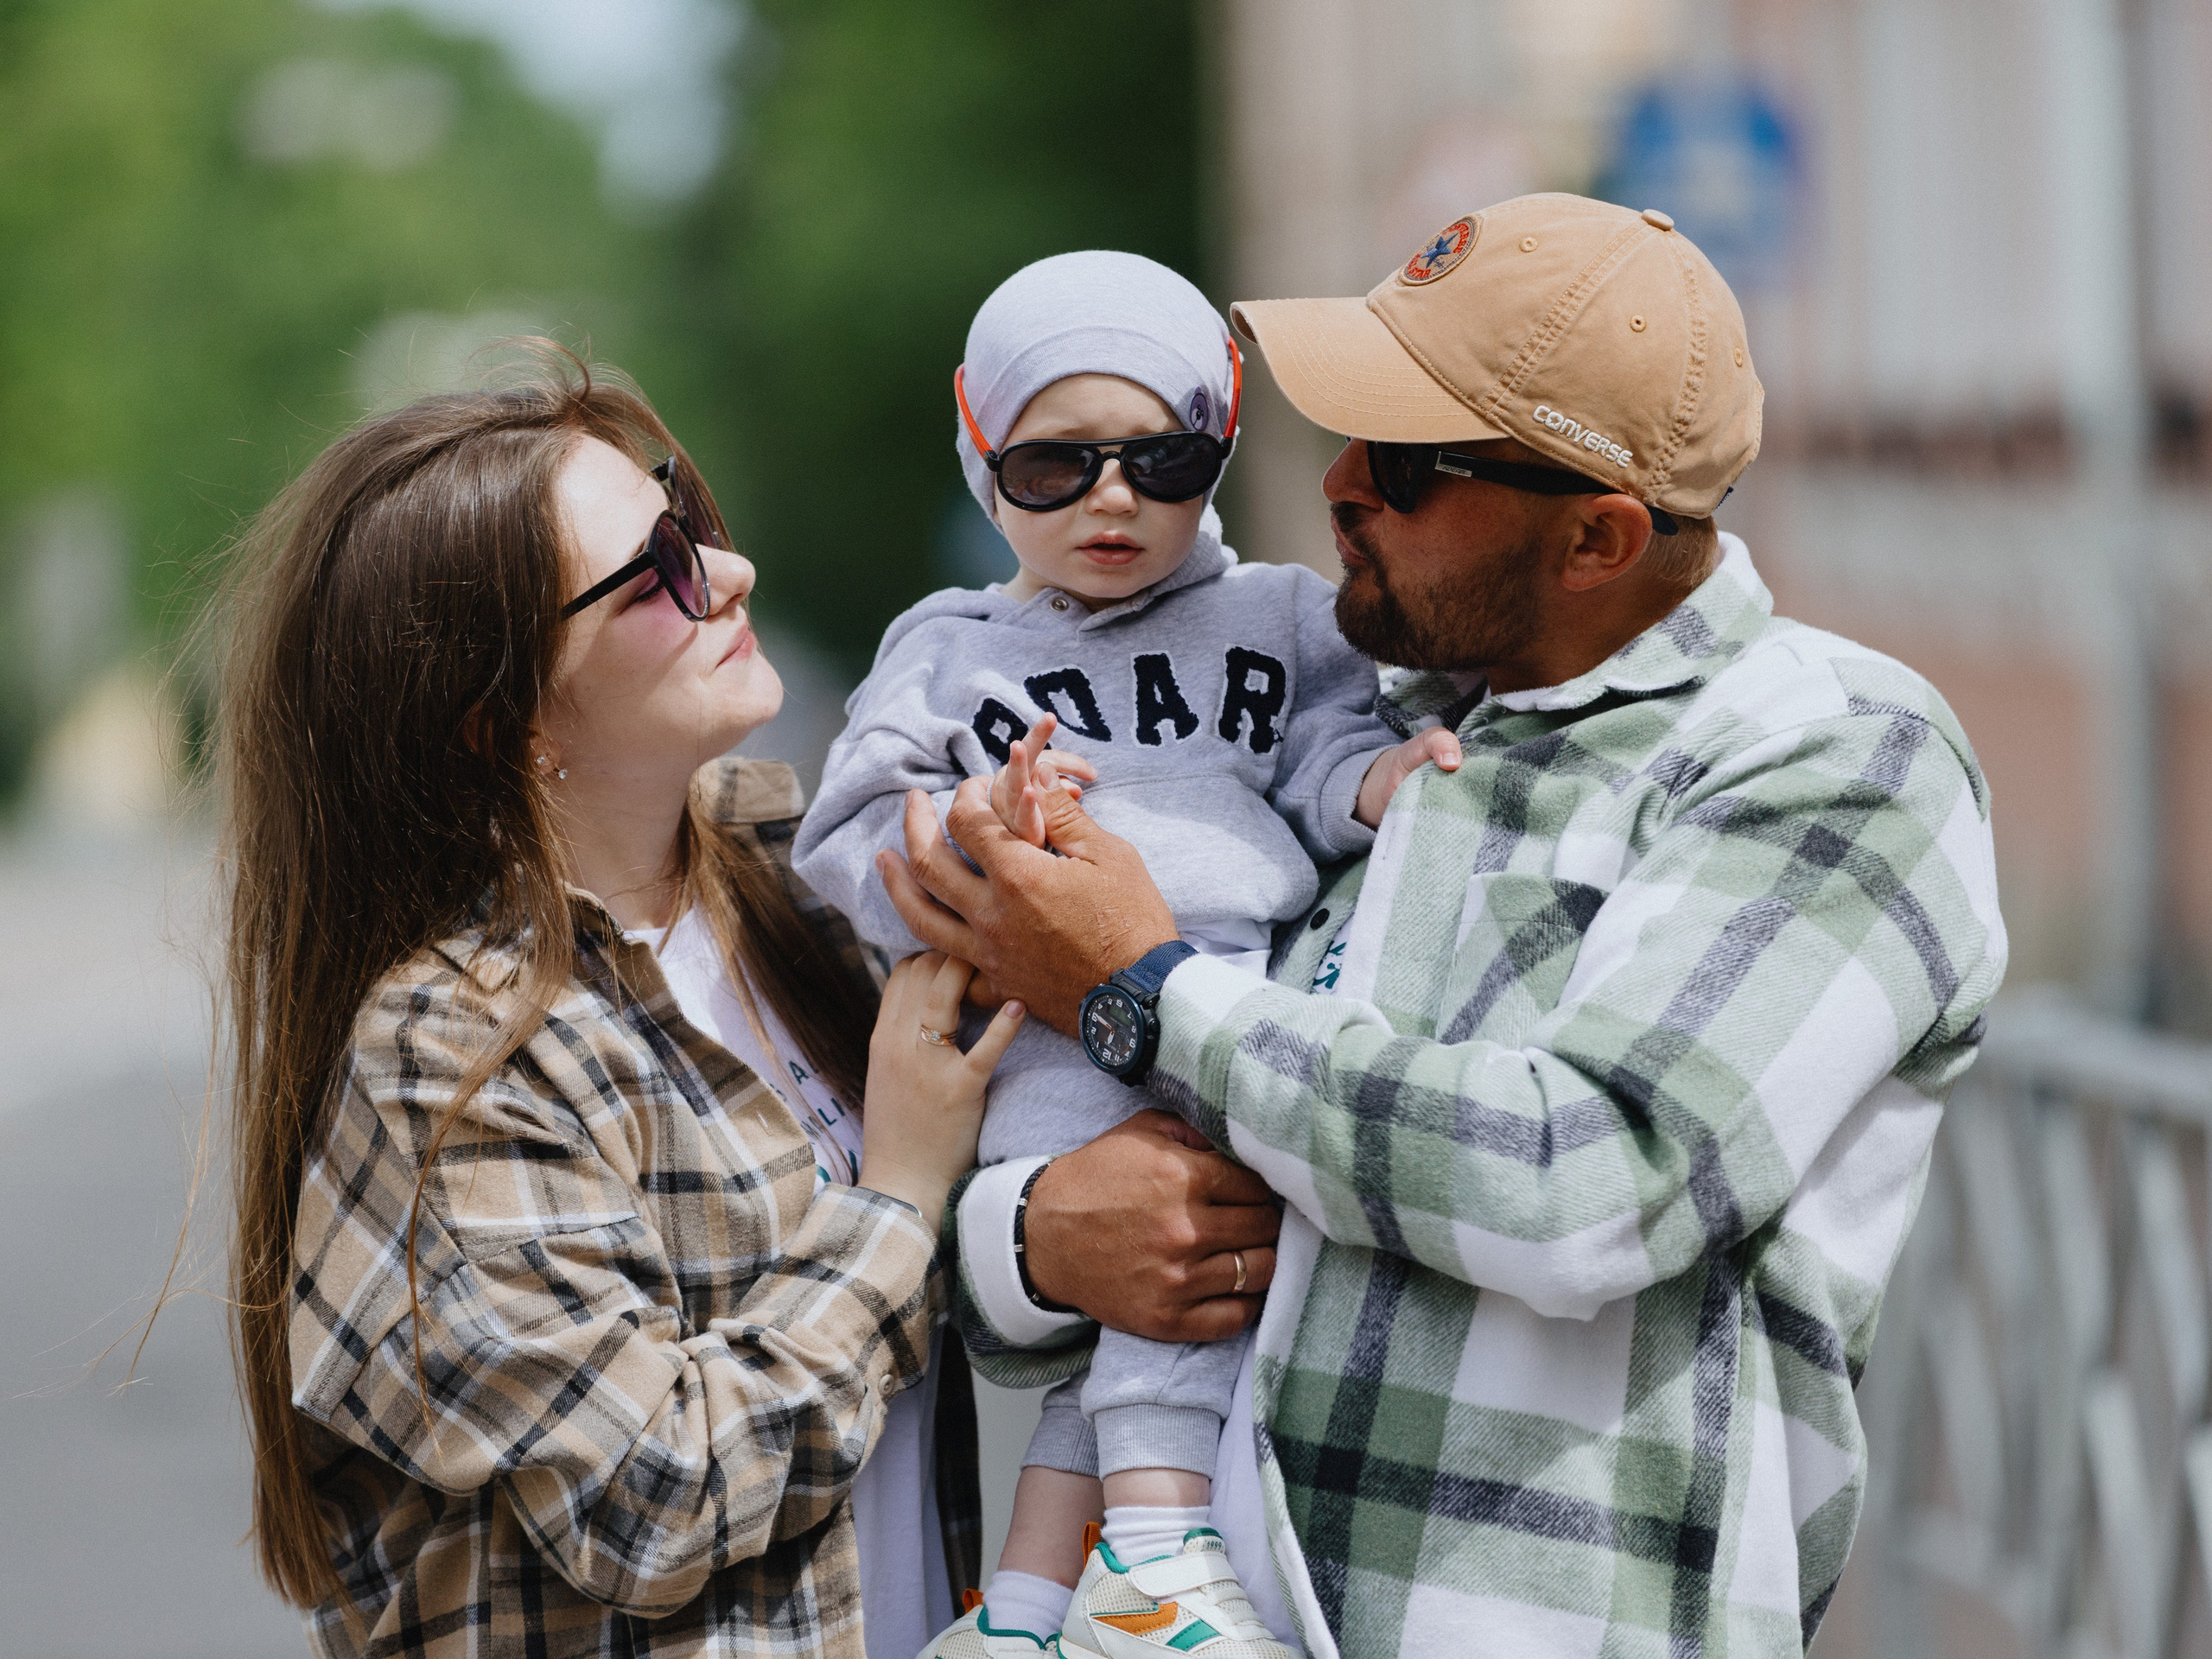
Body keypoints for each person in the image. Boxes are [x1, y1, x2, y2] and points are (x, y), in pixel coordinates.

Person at [881, 194, 2009, 1656]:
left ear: (1599, 537)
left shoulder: (1832, 752)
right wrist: (1031, 1242)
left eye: (1406, 464)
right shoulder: (1367, 722)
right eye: (1349, 428)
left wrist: (1137, 986)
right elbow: (1128, 1176)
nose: (1337, 480)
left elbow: (1591, 1178)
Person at [219, 352, 1027, 1659]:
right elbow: (654, 1497)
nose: (729, 573)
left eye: (688, 518)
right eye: (655, 569)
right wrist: (901, 1198)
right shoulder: (454, 1051)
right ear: (503, 722)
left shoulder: (804, 897)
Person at [791, 251, 1452, 1657]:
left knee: (1157, 1290)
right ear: (983, 449)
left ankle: (1025, 1611)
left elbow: (1331, 751)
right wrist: (969, 841)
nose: (1111, 501)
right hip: (1037, 1024)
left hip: (1222, 986)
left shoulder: (1276, 614)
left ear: (1217, 444)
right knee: (1173, 1249)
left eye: (1161, 459)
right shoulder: (948, 650)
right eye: (1055, 466)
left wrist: (1372, 789)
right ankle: (1155, 1550)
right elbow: (846, 833)